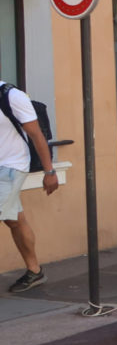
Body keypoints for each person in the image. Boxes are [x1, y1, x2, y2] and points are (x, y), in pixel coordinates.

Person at [2, 82, 60, 293]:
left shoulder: (12, 97)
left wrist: (49, 172)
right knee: (15, 220)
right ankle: (35, 271)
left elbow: (37, 135)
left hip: (10, 167)